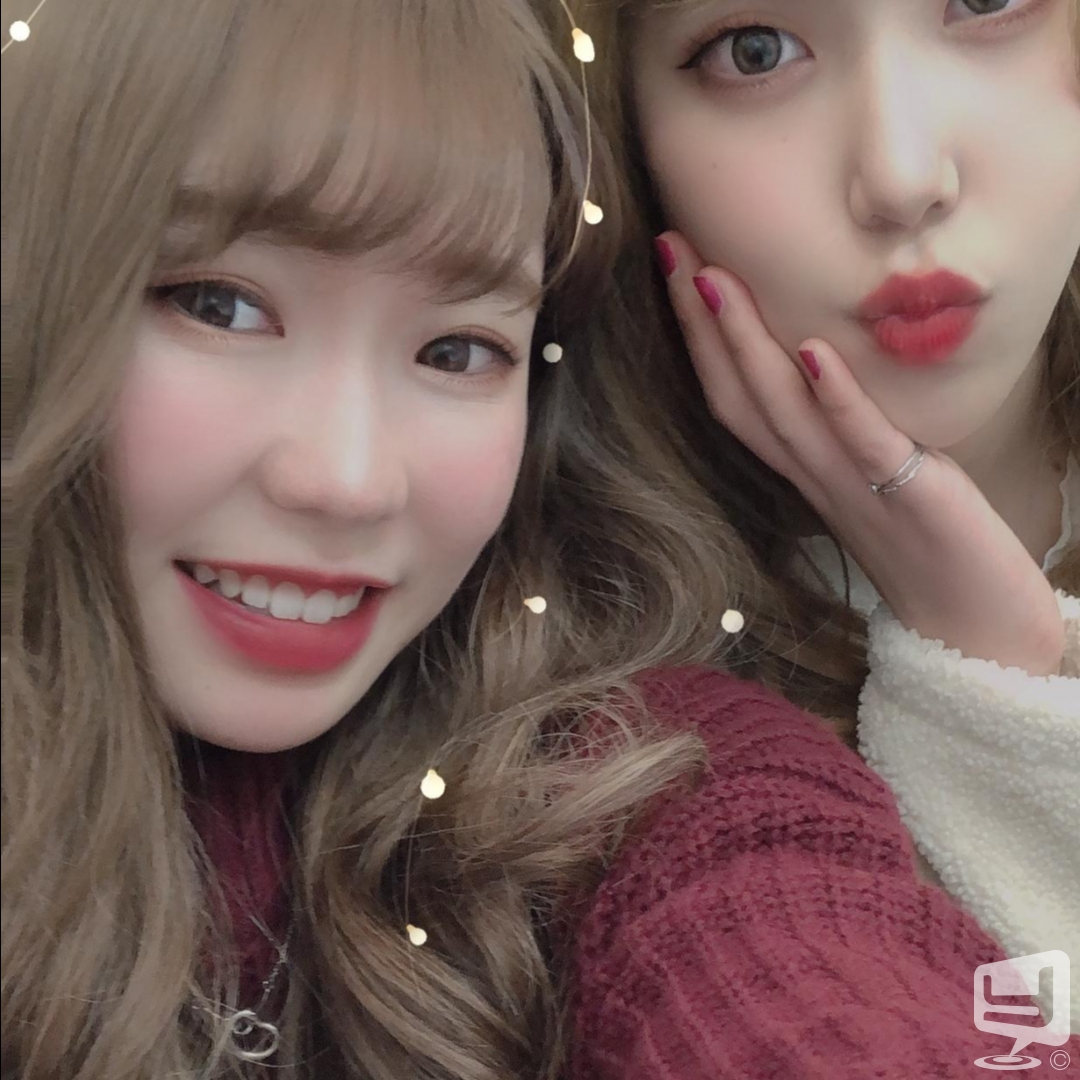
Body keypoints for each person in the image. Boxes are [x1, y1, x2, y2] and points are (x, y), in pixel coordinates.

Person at [1, 1, 1065, 1078]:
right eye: (222, 307)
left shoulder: (618, 759)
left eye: (458, 351)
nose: (347, 481)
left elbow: (794, 951)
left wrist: (998, 675)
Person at [578, 0, 1080, 1004]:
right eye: (754, 51)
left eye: (985, 1)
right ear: (623, 126)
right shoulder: (615, 724)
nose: (902, 176)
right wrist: (989, 667)